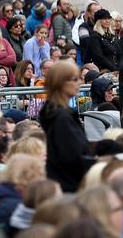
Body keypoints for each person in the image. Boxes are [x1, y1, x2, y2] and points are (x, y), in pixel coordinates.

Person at [38, 61, 94, 193]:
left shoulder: (56, 112)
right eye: (75, 79)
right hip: (70, 186)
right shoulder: (61, 117)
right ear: (60, 83)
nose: (80, 82)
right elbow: (72, 157)